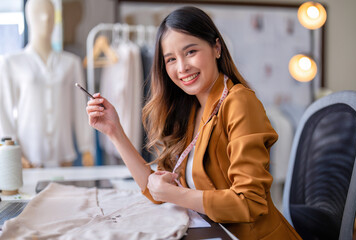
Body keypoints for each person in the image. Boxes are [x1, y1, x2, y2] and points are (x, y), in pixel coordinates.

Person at [86, 6, 302, 239]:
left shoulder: (239, 102)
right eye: (171, 59)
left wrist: (174, 194)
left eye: (190, 52)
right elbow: (155, 191)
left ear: (216, 48)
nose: (182, 67)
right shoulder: (190, 111)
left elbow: (249, 202)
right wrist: (114, 131)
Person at [0, 0, 93, 167]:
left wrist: (86, 148)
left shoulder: (71, 63)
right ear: (28, 17)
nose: (45, 19)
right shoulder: (12, 62)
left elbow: (80, 109)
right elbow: (4, 111)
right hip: (29, 156)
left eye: (50, 14)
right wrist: (12, 149)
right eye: (38, 14)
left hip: (64, 154)